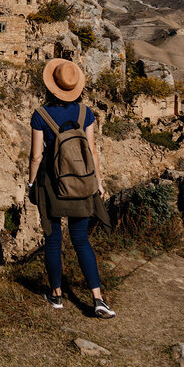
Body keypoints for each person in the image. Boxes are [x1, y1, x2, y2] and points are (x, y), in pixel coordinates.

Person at [27, 58, 115, 317]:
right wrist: (97, 181)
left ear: (50, 86)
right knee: (81, 240)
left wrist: (32, 183)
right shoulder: (84, 113)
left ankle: (56, 296)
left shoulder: (40, 115)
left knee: (53, 241)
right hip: (81, 182)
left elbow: (36, 156)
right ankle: (98, 298)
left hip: (52, 185)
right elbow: (91, 150)